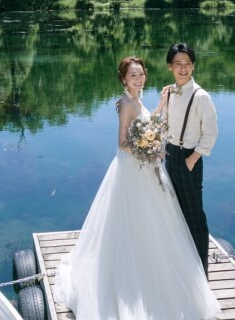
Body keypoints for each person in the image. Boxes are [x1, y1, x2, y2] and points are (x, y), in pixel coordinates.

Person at [55, 56, 220, 320]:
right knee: (131, 221)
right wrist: (148, 152)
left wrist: (160, 108)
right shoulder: (126, 104)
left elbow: (144, 125)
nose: (138, 78)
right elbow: (122, 142)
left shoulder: (136, 99)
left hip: (145, 167)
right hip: (131, 169)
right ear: (123, 79)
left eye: (141, 74)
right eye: (133, 75)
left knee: (153, 220)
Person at [161, 42, 218, 276]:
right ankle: (181, 266)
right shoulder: (169, 92)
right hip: (170, 156)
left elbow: (211, 132)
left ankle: (200, 273)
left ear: (193, 66)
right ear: (170, 67)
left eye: (187, 64)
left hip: (188, 158)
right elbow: (165, 123)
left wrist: (193, 159)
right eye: (178, 64)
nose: (183, 69)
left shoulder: (201, 96)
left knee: (194, 216)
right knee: (173, 212)